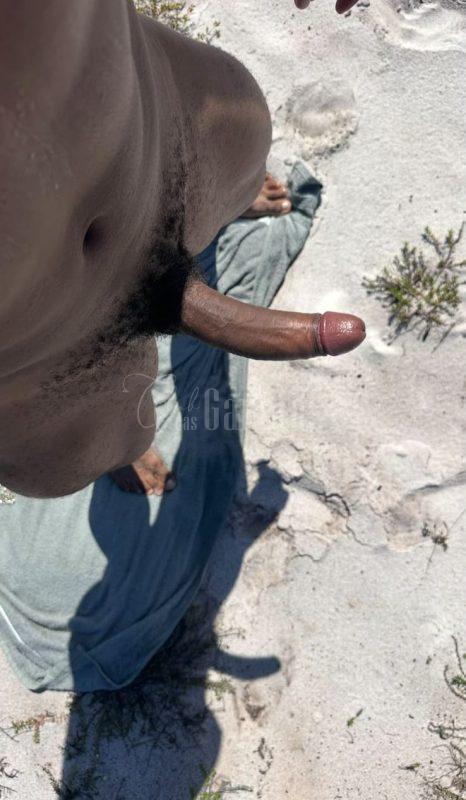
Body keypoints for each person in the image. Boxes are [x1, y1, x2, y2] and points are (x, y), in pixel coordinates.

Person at [0, 0, 362, 501]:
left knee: (239, 141)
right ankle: (122, 452)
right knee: (93, 445)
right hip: (37, 347)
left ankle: (234, 201)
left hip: (145, 109)